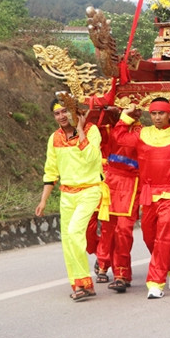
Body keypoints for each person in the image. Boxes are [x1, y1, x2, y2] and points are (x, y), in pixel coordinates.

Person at [112, 98, 170, 299]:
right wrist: (126, 115)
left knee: (163, 238)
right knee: (149, 238)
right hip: (149, 193)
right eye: (154, 114)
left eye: (161, 113)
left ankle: (156, 283)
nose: (157, 117)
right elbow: (119, 137)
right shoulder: (143, 134)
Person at [35, 99, 106, 302]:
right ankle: (81, 284)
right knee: (67, 240)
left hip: (90, 190)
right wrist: (43, 201)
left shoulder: (92, 131)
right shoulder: (54, 138)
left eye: (65, 111)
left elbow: (92, 158)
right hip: (67, 195)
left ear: (75, 112)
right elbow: (51, 170)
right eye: (57, 113)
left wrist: (81, 129)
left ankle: (84, 283)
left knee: (75, 233)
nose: (61, 116)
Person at [95, 117, 141, 293]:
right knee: (107, 228)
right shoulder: (108, 128)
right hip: (109, 182)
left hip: (132, 183)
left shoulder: (143, 132)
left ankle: (121, 274)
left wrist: (125, 119)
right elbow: (92, 130)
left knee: (123, 230)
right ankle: (103, 262)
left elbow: (127, 141)